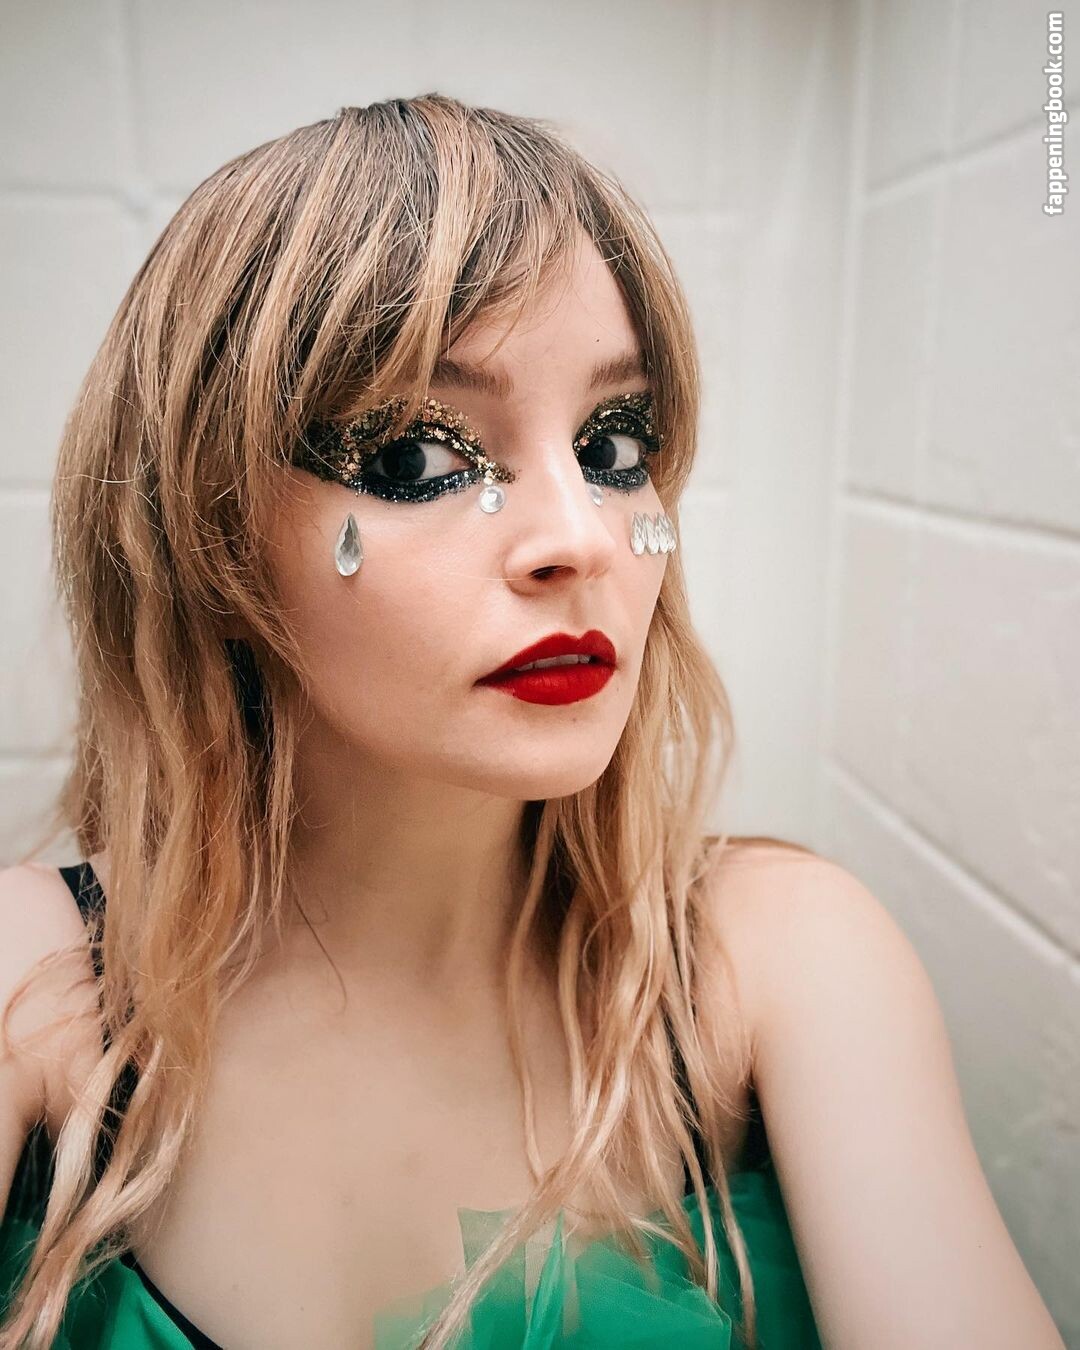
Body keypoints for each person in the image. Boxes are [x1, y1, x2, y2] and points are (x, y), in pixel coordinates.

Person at [0, 94, 1065, 1350]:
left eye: (615, 444)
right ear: (211, 536)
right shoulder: (38, 988)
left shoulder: (775, 962)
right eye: (415, 457)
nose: (580, 538)